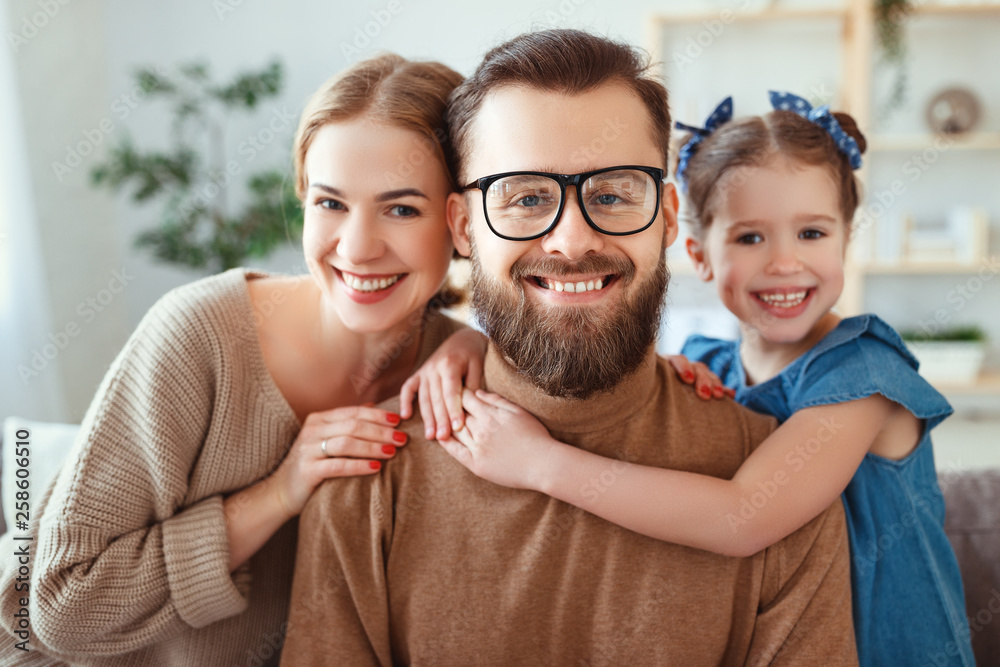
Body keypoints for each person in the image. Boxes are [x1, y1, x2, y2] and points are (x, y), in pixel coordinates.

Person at [281, 29, 857, 666]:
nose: (571, 240)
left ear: (667, 219)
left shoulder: (775, 485)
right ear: (464, 227)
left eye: (612, 194)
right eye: (526, 197)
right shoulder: (367, 482)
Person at [424, 92, 974, 666]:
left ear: (847, 238)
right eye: (750, 238)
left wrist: (542, 464)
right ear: (697, 252)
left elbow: (744, 518)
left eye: (812, 233)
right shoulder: (707, 364)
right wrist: (463, 343)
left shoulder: (863, 373)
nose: (785, 262)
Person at [0, 54, 468, 666]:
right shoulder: (201, 332)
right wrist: (281, 490)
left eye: (402, 209)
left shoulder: (457, 367)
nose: (356, 247)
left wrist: (470, 343)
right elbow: (62, 609)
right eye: (330, 203)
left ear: (462, 223)